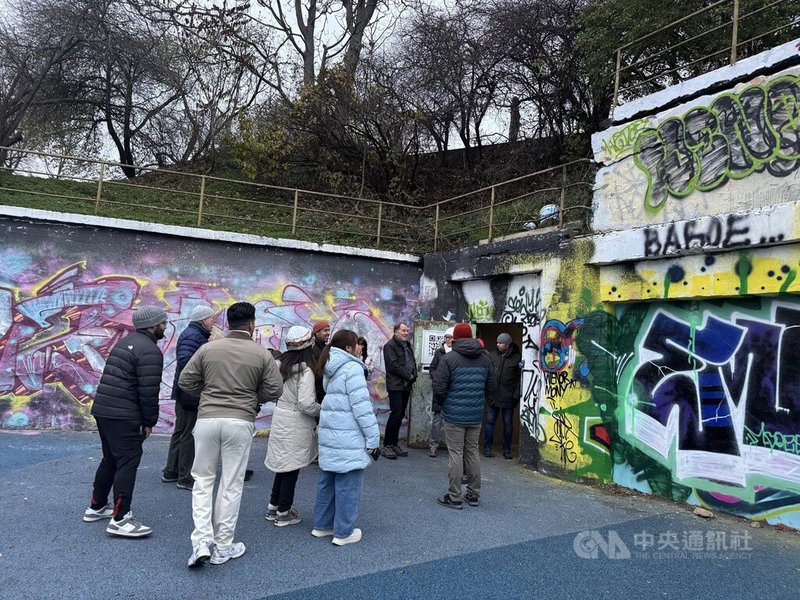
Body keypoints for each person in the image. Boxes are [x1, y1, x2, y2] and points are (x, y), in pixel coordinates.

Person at [179, 302, 283, 568]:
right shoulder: (261, 354)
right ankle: (223, 546)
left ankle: (201, 542)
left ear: (227, 323)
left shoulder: (208, 349)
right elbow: (275, 390)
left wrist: (208, 393)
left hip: (207, 419)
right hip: (240, 420)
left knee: (202, 480)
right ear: (252, 324)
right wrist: (253, 398)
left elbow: (185, 381)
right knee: (231, 483)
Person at [83, 305, 168, 538]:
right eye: (163, 322)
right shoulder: (149, 351)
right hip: (124, 415)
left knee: (111, 459)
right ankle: (120, 519)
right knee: (128, 462)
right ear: (153, 325)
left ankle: (97, 506)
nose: (165, 326)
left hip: (104, 410)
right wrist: (149, 421)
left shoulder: (125, 343)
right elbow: (148, 392)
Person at [312, 330, 380, 546]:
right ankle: (343, 532)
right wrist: (373, 439)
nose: (360, 347)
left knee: (327, 482)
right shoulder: (353, 368)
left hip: (330, 434)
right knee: (348, 485)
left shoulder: (330, 366)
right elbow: (362, 408)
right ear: (349, 347)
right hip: (348, 436)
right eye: (356, 344)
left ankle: (322, 525)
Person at [432, 323, 495, 509]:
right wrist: (480, 402)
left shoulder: (449, 358)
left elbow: (439, 387)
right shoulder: (485, 358)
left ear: (456, 338)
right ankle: (474, 494)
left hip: (454, 415)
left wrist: (445, 404)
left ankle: (455, 496)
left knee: (456, 454)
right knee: (472, 452)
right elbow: (491, 387)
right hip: (475, 414)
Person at [265, 325, 321, 527]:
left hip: (280, 416)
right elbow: (306, 404)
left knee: (282, 466)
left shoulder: (280, 365)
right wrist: (321, 409)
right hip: (296, 422)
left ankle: (273, 506)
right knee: (292, 468)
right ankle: (283, 512)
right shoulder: (306, 371)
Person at [162, 305, 216, 490]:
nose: (213, 321)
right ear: (203, 320)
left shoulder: (194, 334)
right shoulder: (194, 336)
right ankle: (185, 477)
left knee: (181, 431)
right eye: (211, 318)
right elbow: (186, 361)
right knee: (189, 434)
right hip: (190, 392)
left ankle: (171, 471)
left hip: (185, 391)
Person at [381, 322, 417, 459]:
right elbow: (393, 365)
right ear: (396, 332)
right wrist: (409, 376)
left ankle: (394, 443)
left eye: (407, 330)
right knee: (395, 414)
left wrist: (414, 376)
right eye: (403, 330)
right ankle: (387, 445)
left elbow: (412, 362)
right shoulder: (389, 346)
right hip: (396, 385)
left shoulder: (407, 345)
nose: (406, 333)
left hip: (406, 385)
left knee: (400, 414)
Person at [485, 333, 522, 460]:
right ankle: (487, 448)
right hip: (493, 395)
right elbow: (488, 374)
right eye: (497, 342)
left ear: (507, 345)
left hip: (508, 397)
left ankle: (507, 450)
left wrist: (515, 395)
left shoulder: (517, 358)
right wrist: (488, 391)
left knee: (508, 424)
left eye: (500, 343)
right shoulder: (492, 355)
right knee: (490, 422)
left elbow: (520, 378)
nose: (497, 345)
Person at [427, 326, 454, 458]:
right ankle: (433, 446)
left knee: (453, 421)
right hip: (440, 389)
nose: (448, 340)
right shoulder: (439, 352)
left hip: (453, 390)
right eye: (446, 337)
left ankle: (454, 448)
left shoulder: (457, 353)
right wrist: (437, 378)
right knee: (437, 419)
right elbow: (432, 368)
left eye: (450, 337)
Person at [310, 320, 331, 403]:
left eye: (328, 330)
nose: (328, 333)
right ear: (317, 332)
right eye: (325, 330)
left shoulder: (325, 348)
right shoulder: (314, 350)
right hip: (319, 394)